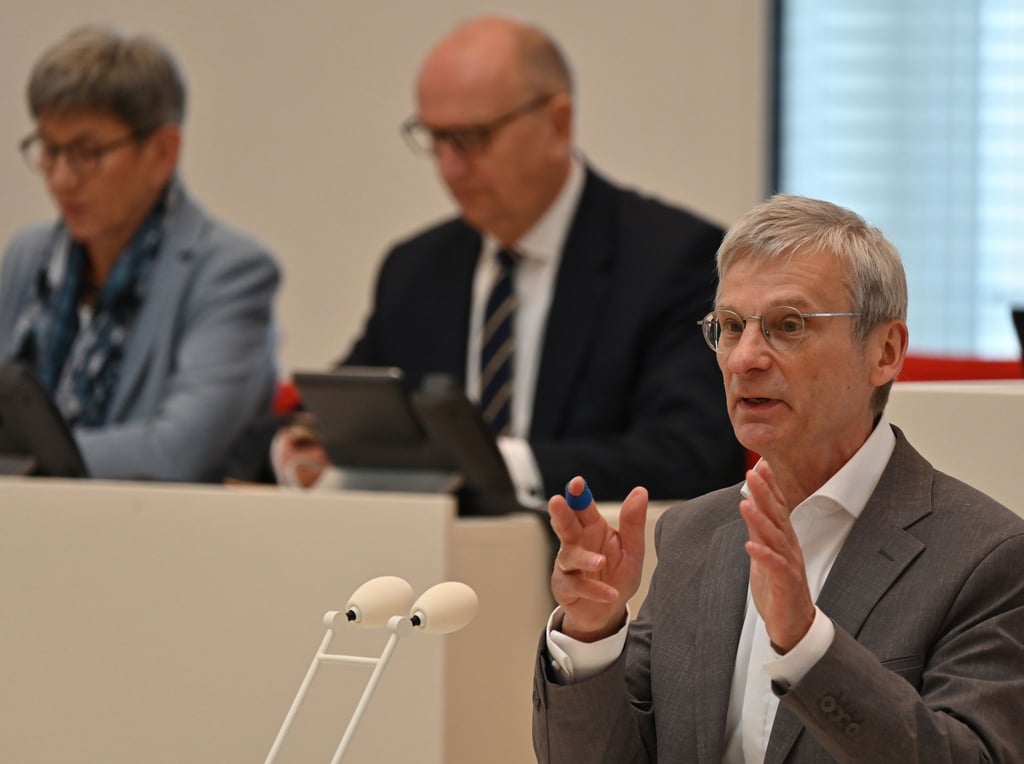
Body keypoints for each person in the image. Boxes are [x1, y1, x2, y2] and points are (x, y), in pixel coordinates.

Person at [532, 195, 1024, 762]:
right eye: (731, 326)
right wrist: (591, 633)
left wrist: (808, 645)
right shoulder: (695, 533)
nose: (745, 358)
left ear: (885, 352)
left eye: (788, 326)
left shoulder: (987, 558)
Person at [275, 14, 744, 503]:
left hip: (588, 563)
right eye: (435, 138)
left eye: (473, 138)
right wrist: (298, 449)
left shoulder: (671, 259)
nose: (449, 166)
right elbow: (340, 410)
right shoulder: (416, 270)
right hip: (427, 562)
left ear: (558, 124)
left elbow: (690, 454)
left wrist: (496, 464)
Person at [0, 25, 280, 482]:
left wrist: (30, 458)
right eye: (49, 149)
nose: (61, 179)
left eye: (87, 153)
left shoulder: (231, 272)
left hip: (163, 539)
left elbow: (177, 451)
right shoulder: (29, 257)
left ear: (163, 153)